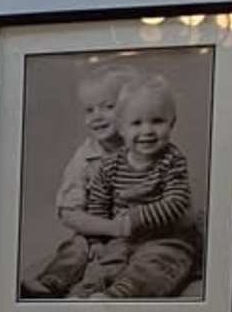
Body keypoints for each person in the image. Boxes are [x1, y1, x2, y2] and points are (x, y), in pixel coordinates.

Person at [30, 68, 200, 299]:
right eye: (89, 109)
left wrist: (133, 221)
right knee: (81, 250)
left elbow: (179, 203)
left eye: (108, 106)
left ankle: (120, 294)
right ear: (124, 123)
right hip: (104, 229)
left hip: (157, 232)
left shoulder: (164, 154)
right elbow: (79, 209)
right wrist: (102, 236)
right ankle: (61, 287)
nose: (98, 116)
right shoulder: (95, 161)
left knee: (156, 261)